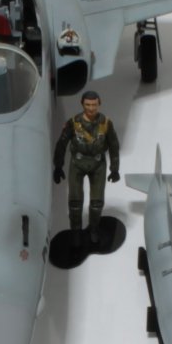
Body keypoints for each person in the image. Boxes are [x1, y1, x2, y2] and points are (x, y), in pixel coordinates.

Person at [53, 92, 120, 244]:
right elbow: (61, 144)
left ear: (99, 104)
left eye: (94, 105)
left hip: (98, 165)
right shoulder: (73, 123)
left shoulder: (106, 123)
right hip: (77, 164)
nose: (91, 108)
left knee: (97, 203)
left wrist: (115, 169)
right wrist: (58, 166)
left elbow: (114, 146)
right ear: (82, 104)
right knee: (75, 203)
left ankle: (94, 229)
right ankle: (76, 232)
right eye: (88, 105)